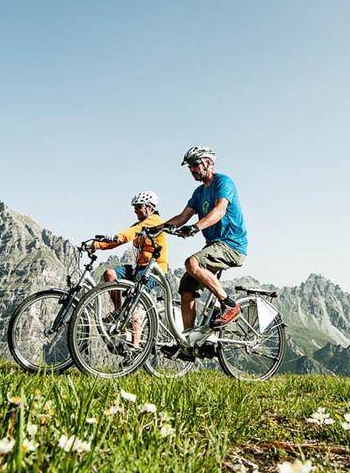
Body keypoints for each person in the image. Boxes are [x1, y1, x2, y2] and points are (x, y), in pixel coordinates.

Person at [160, 145, 247, 330]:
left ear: (208, 163)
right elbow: (183, 217)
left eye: (194, 164)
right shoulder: (199, 193)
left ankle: (229, 305)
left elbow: (220, 210)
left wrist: (196, 227)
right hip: (214, 246)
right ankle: (189, 338)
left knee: (192, 263)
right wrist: (158, 228)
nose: (192, 170)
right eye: (189, 166)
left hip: (231, 244)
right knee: (186, 289)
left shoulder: (223, 182)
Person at [91, 191, 168, 347]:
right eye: (135, 207)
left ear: (149, 207)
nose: (135, 210)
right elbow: (123, 239)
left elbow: (128, 234)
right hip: (138, 268)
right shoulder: (140, 225)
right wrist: (97, 245)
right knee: (109, 274)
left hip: (153, 271)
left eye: (138, 207)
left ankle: (135, 345)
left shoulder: (155, 221)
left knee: (134, 300)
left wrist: (119, 236)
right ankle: (118, 310)